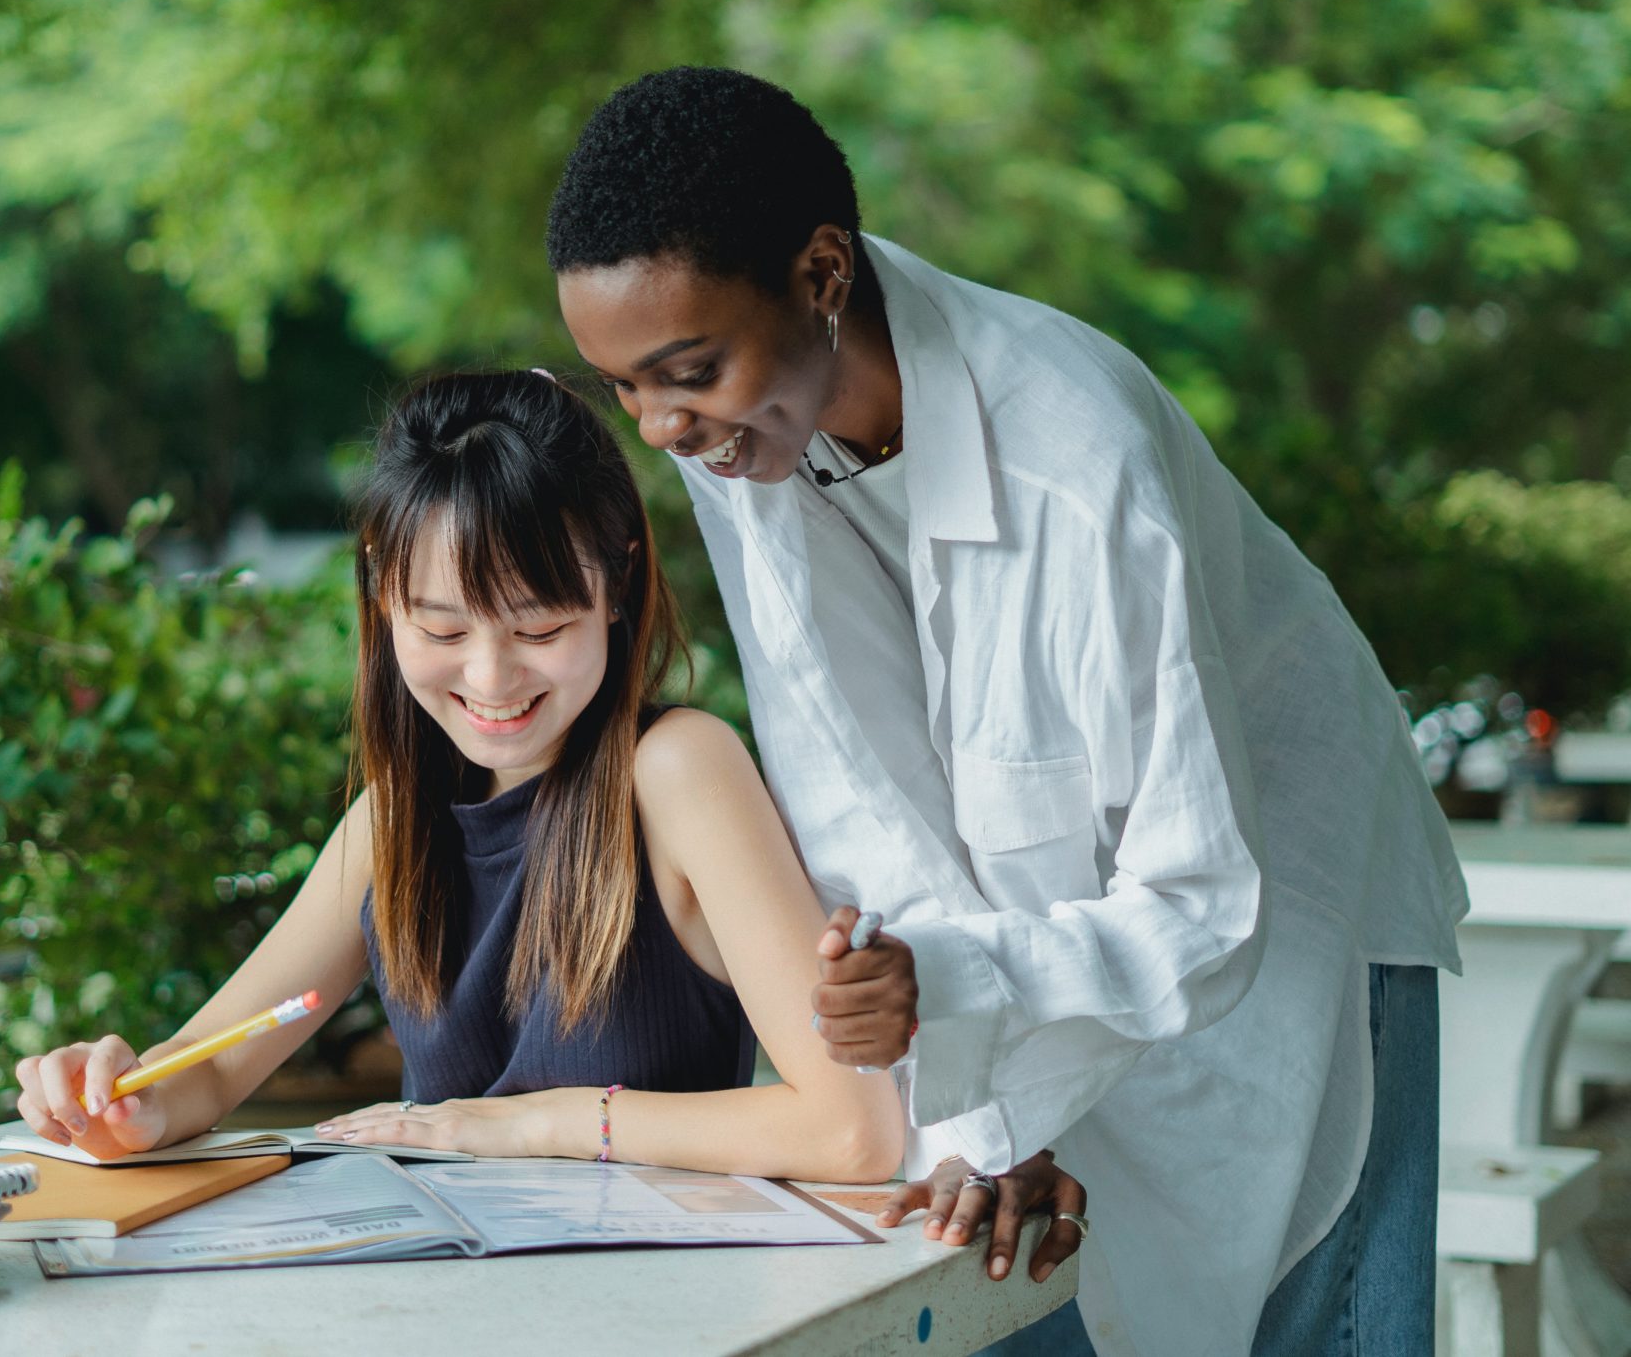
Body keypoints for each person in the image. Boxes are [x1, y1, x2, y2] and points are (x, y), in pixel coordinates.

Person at [549, 68, 1469, 1355]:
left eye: (681, 373)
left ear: (821, 276)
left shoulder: (1078, 462)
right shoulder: (747, 426)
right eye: (622, 388)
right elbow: (855, 785)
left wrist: (955, 985)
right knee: (1027, 1272)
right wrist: (986, 1111)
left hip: (1288, 911)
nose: (656, 427)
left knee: (1309, 1316)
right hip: (1037, 952)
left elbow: (1207, 907)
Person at [12, 373, 1039, 1223]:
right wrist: (121, 1096)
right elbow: (212, 1066)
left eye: (540, 626)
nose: (493, 678)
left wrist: (534, 1123)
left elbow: (849, 1132)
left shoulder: (676, 771)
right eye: (444, 630)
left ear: (618, 586)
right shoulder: (392, 820)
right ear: (382, 595)